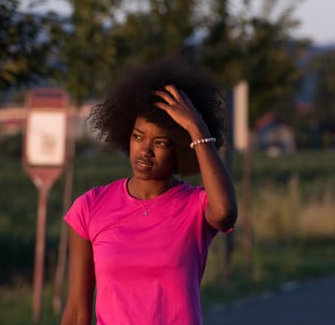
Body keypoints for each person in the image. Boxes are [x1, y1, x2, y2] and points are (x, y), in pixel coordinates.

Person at [60, 57, 238, 325]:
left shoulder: (195, 207)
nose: (145, 150)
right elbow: (76, 313)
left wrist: (196, 126)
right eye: (138, 136)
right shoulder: (90, 207)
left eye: (161, 142)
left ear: (178, 147)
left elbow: (225, 213)